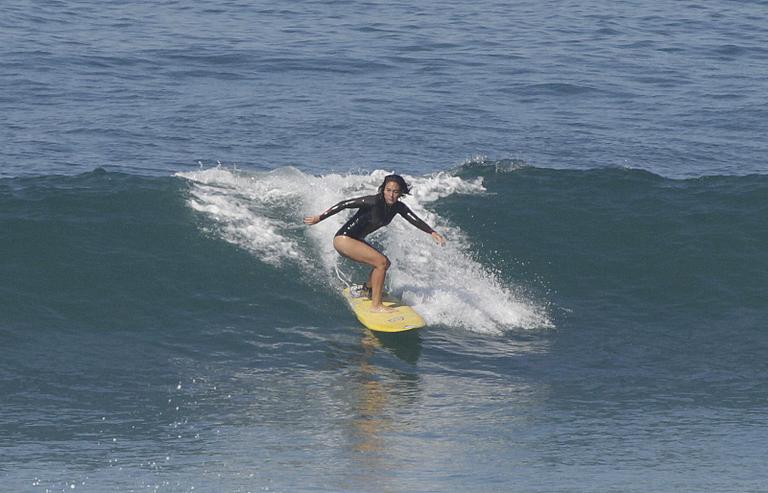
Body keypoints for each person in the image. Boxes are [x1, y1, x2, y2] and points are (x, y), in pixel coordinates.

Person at [304, 174, 446, 313]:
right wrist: (320, 217)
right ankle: (376, 305)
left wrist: (432, 232)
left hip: (356, 240)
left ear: (400, 193)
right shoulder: (372, 201)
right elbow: (344, 204)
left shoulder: (398, 207)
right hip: (344, 239)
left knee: (385, 263)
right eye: (388, 190)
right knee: (381, 263)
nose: (391, 195)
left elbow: (413, 219)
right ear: (383, 190)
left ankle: (368, 290)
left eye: (395, 192)